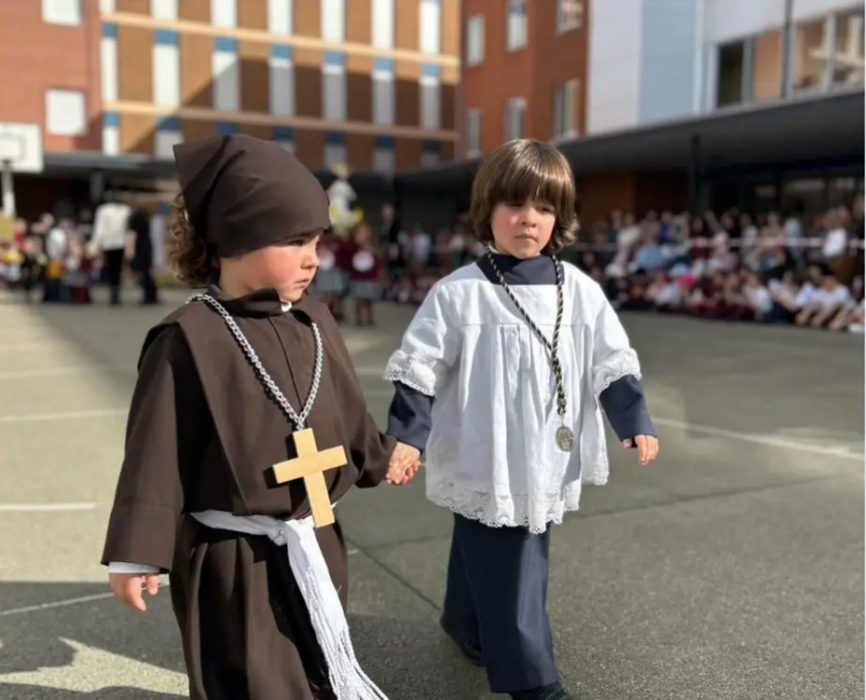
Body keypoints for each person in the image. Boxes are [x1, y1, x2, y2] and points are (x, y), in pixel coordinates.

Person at [101, 134, 419, 700]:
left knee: (315, 668)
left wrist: (380, 452)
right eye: (295, 240)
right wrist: (137, 550)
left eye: (317, 240)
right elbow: (155, 453)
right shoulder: (189, 338)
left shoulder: (315, 321)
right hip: (235, 560)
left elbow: (343, 408)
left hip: (315, 539)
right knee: (254, 679)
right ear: (235, 235)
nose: (312, 258)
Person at [382, 139, 660, 700]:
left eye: (543, 207)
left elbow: (611, 358)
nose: (528, 219)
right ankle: (535, 682)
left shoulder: (578, 291)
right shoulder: (460, 293)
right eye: (513, 205)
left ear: (559, 217)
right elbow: (421, 366)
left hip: (543, 452)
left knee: (483, 534)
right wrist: (407, 436)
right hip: (485, 447)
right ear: (487, 212)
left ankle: (467, 624)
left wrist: (633, 417)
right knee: (515, 562)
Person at [91, 192, 132, 305]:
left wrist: (95, 244)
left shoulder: (104, 210)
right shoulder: (125, 210)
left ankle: (114, 293)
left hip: (111, 243)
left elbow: (99, 228)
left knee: (112, 269)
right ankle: (115, 294)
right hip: (117, 243)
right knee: (116, 269)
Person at [127, 204, 159, 305]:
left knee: (141, 272)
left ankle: (147, 296)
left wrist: (130, 249)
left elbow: (132, 234)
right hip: (148, 246)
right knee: (147, 272)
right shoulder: (147, 219)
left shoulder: (133, 219)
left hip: (139, 247)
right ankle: (152, 295)